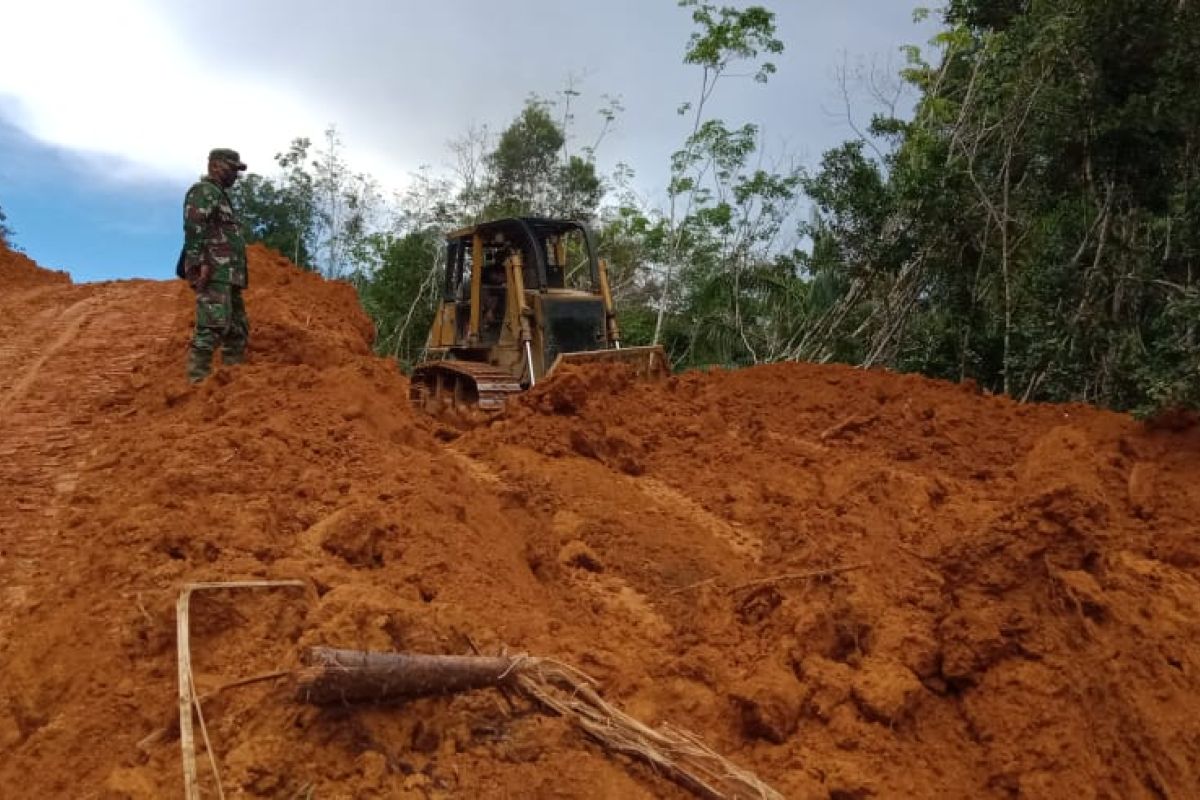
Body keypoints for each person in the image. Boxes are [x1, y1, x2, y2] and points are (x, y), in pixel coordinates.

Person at [182, 148, 249, 383]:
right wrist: (196, 262)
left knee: (237, 330)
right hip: (213, 271)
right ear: (216, 166)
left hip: (229, 275)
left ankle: (231, 384)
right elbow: (194, 226)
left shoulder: (220, 196)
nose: (235, 175)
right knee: (210, 327)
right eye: (232, 169)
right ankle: (196, 384)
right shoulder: (204, 191)